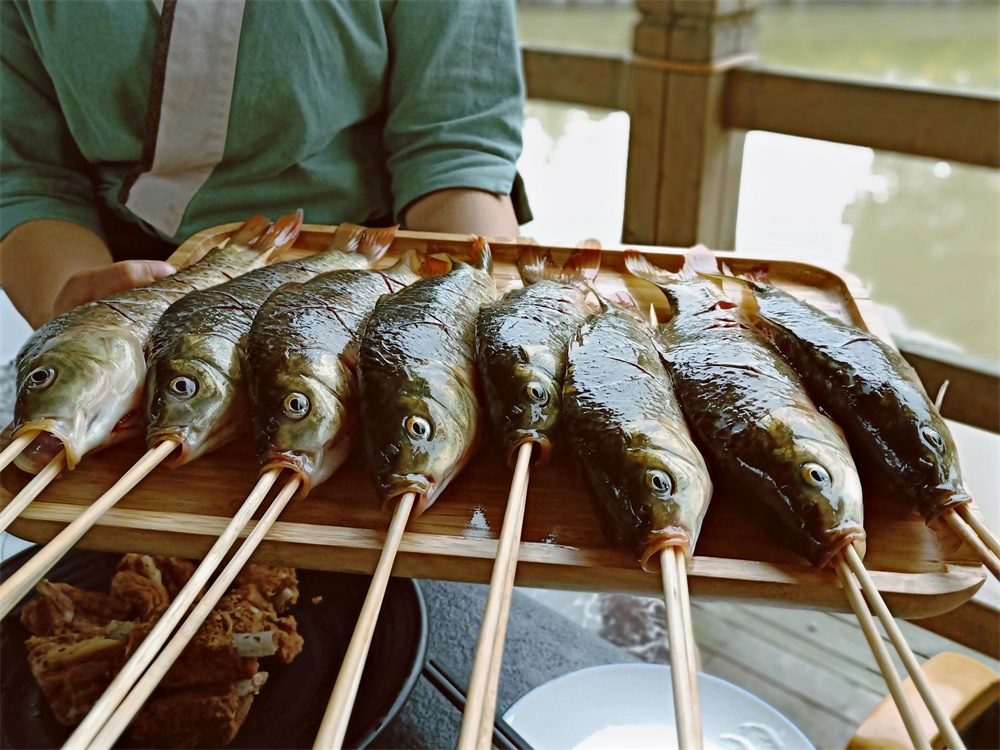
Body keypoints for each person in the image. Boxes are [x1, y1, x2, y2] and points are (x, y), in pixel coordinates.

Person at [0, 0, 529, 329]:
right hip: (129, 284)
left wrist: (475, 319)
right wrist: (65, 303)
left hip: (374, 277)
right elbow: (27, 173)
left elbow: (454, 147)